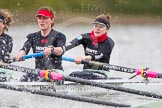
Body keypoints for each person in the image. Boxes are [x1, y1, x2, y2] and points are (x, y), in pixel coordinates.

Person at [15, 7, 66, 81]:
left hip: (56, 72)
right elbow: (24, 49)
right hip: (39, 72)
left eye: (45, 18)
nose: (41, 21)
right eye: (39, 18)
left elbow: (61, 50)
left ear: (52, 20)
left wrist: (52, 49)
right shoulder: (32, 37)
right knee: (23, 79)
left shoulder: (59, 36)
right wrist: (20, 54)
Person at [65, 14, 115, 79]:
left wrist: (83, 58)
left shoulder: (109, 42)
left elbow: (99, 55)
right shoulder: (85, 37)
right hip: (86, 72)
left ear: (107, 29)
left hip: (102, 73)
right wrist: (55, 49)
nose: (97, 28)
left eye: (101, 27)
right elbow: (69, 44)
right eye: (95, 26)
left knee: (74, 75)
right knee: (73, 75)